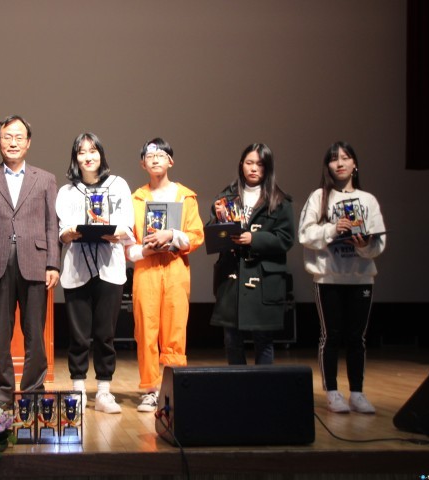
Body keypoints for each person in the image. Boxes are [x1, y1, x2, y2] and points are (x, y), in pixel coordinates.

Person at [0, 115, 61, 404]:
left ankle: (33, 393)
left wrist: (53, 263)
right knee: (0, 334)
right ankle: (2, 394)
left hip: (35, 262)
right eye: (7, 137)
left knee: (35, 335)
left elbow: (52, 225)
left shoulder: (45, 179)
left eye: (19, 137)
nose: (13, 142)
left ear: (28, 143)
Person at [298, 141, 386, 414]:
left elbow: (378, 243)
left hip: (361, 278)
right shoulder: (319, 197)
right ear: (327, 166)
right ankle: (332, 392)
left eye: (346, 158)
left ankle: (357, 392)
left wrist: (364, 245)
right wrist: (333, 229)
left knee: (357, 338)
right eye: (334, 159)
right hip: (328, 277)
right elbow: (305, 234)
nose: (340, 163)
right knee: (331, 335)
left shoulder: (368, 200)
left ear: (354, 164)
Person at [56, 133, 135, 414]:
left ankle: (103, 392)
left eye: (93, 150)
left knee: (105, 334)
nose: (88, 156)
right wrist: (67, 234)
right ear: (75, 158)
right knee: (78, 335)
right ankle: (77, 390)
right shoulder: (67, 192)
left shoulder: (118, 185)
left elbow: (127, 224)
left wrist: (119, 232)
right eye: (82, 152)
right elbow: (62, 230)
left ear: (101, 154)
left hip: (109, 268)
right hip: (77, 268)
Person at [125, 138, 204, 413]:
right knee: (145, 330)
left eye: (161, 155)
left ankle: (174, 387)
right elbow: (127, 245)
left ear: (171, 161)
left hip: (175, 268)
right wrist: (144, 249)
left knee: (175, 329)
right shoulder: (135, 199)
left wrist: (171, 234)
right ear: (143, 164)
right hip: (146, 270)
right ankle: (150, 390)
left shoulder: (186, 197)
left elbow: (196, 236)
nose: (155, 159)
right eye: (150, 156)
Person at [207, 143, 294, 366]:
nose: (254, 168)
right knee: (231, 339)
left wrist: (254, 239)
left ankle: (263, 386)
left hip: (263, 278)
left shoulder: (279, 200)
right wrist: (220, 220)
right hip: (232, 277)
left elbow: (286, 239)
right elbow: (212, 237)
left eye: (260, 164)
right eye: (249, 163)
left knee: (263, 339)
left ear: (268, 168)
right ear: (241, 165)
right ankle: (238, 385)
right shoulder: (226, 196)